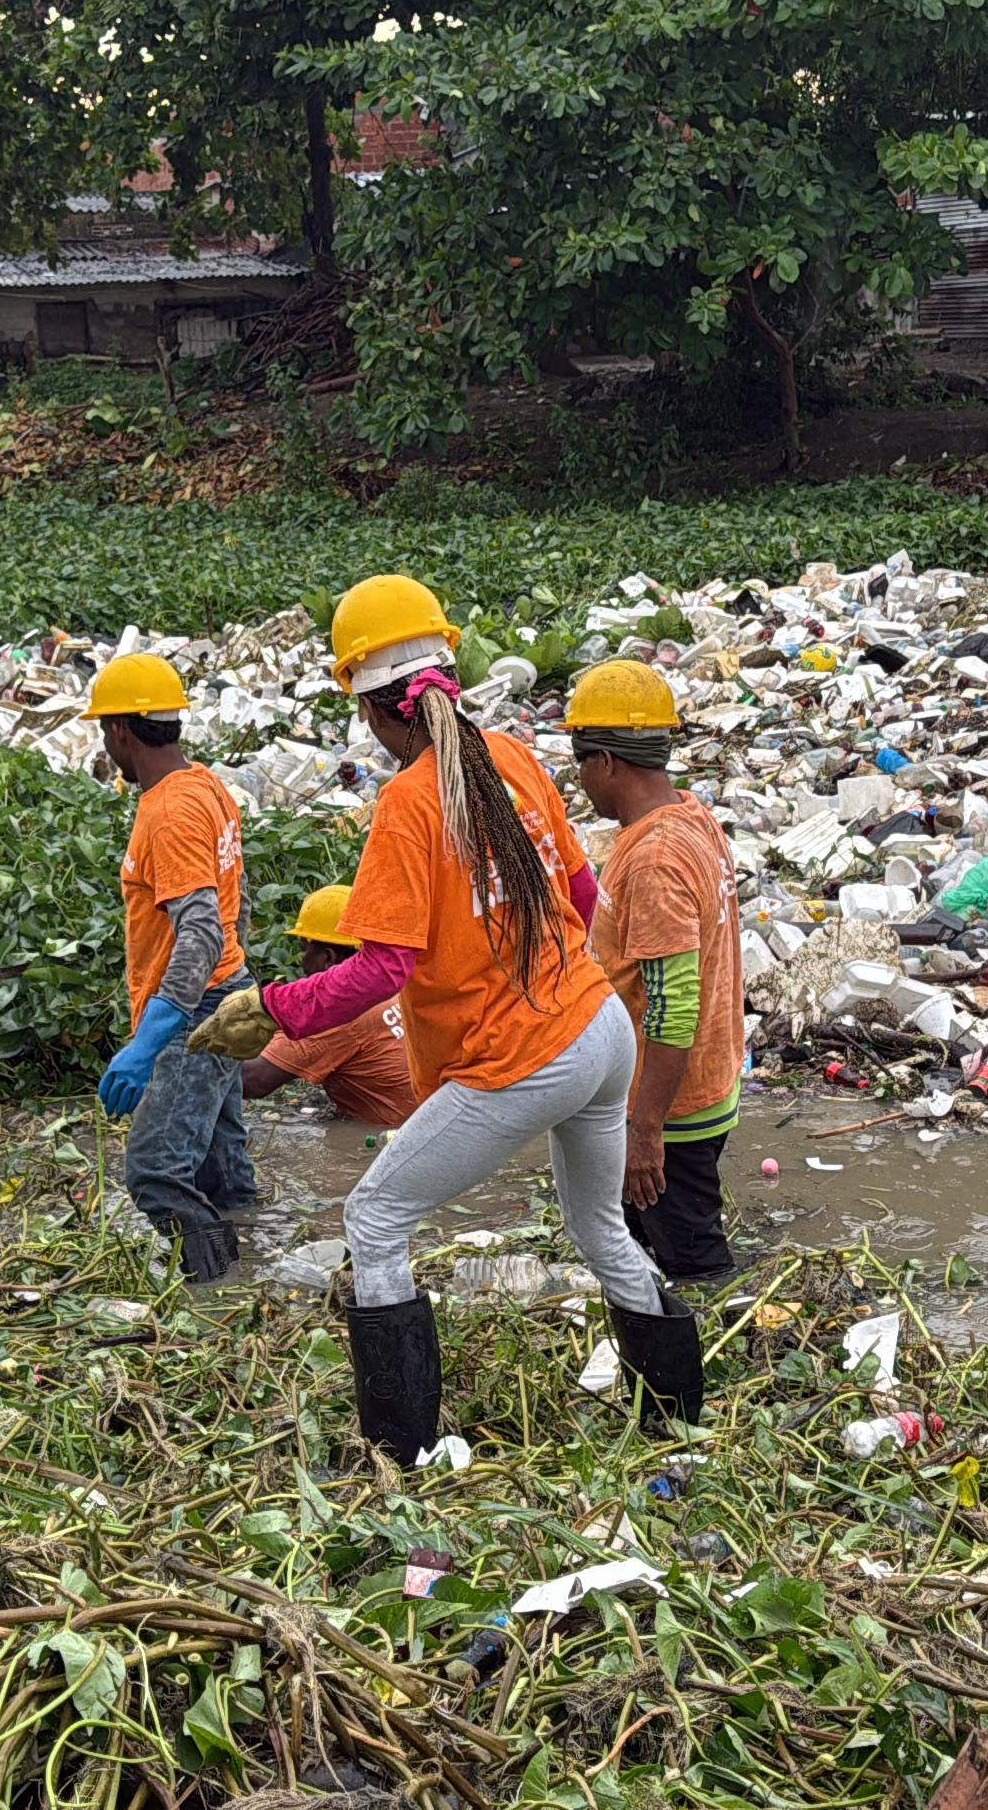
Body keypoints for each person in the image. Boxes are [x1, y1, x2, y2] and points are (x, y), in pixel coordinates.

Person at [188, 576, 700, 1459]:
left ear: (375, 712)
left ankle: (401, 1452)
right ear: (447, 678)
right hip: (600, 1031)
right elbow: (583, 894)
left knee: (375, 1220)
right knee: (598, 1227)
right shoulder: (513, 754)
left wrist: (269, 1007)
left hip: (529, 1058)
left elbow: (383, 971)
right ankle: (679, 1424)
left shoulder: (409, 801)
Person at [561, 662, 744, 1284]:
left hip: (672, 1107)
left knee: (696, 1265)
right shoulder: (690, 816)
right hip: (694, 1086)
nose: (580, 780)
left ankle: (726, 1360)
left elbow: (674, 1004)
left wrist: (644, 1130)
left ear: (607, 762)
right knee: (642, 1243)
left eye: (581, 761)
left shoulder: (658, 858)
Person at [85, 652, 254, 1282]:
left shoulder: (170, 810)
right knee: (220, 1169)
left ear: (122, 730)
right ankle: (258, 1276)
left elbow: (201, 933)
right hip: (230, 997)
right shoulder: (203, 784)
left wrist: (151, 1040)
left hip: (200, 1009)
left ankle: (219, 1294)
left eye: (107, 730)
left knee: (155, 1171)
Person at [242, 886, 424, 1127]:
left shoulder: (337, 1013)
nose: (301, 961)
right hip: (429, 1118)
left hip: (392, 1133)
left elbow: (254, 1080)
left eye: (303, 950)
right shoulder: (397, 982)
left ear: (327, 957)